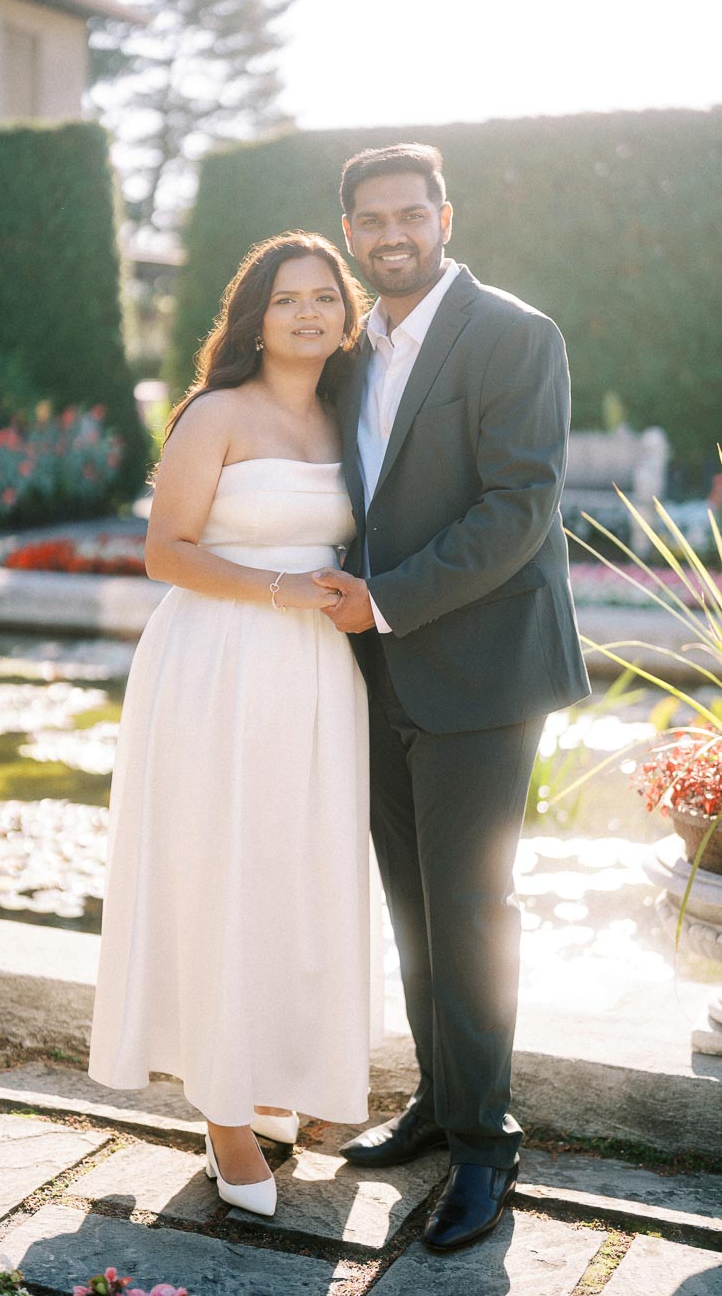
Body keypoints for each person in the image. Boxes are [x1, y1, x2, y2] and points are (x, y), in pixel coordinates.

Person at [314, 143, 590, 1252]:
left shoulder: (516, 334)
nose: (392, 234)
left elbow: (519, 509)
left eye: (409, 214)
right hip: (369, 674)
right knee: (413, 906)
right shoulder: (348, 352)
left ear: (443, 216)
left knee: (471, 913)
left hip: (478, 670)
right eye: (371, 219)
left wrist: (381, 602)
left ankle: (487, 1144)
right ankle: (439, 1101)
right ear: (349, 232)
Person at [88, 232, 372, 1219]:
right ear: (254, 315)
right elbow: (166, 550)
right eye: (287, 297)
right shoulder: (216, 412)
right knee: (220, 870)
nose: (309, 312)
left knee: (298, 871)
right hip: (216, 662)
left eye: (326, 297)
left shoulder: (355, 413)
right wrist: (282, 585)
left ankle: (278, 1074)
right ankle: (224, 1119)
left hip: (316, 673)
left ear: (347, 316)